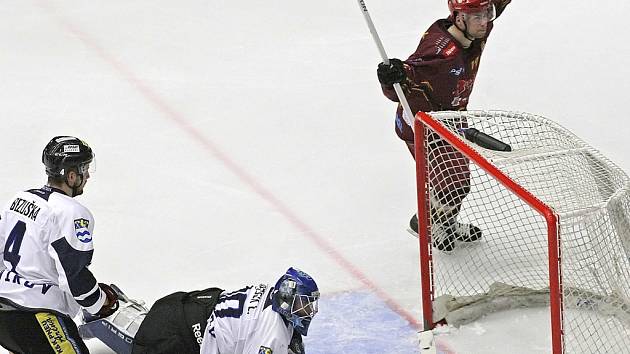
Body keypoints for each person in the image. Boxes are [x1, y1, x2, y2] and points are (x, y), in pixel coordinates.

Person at [376, 0, 511, 252]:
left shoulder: (475, 29)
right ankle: (425, 223)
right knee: (453, 183)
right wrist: (390, 76)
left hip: (452, 118)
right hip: (425, 125)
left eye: (486, 14)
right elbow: (404, 80)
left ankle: (445, 222)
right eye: (477, 16)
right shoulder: (439, 52)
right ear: (459, 18)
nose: (485, 21)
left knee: (456, 182)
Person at [0, 136, 119, 354]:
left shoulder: (19, 199)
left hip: (4, 314)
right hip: (37, 316)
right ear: (71, 175)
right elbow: (75, 275)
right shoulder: (70, 212)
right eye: (84, 168)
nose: (88, 175)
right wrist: (99, 301)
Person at [81, 267, 320, 354]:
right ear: (288, 298)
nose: (309, 310)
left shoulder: (270, 293)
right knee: (139, 345)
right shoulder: (274, 332)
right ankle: (98, 316)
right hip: (179, 337)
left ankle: (116, 304)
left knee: (148, 326)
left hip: (190, 306)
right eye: (304, 303)